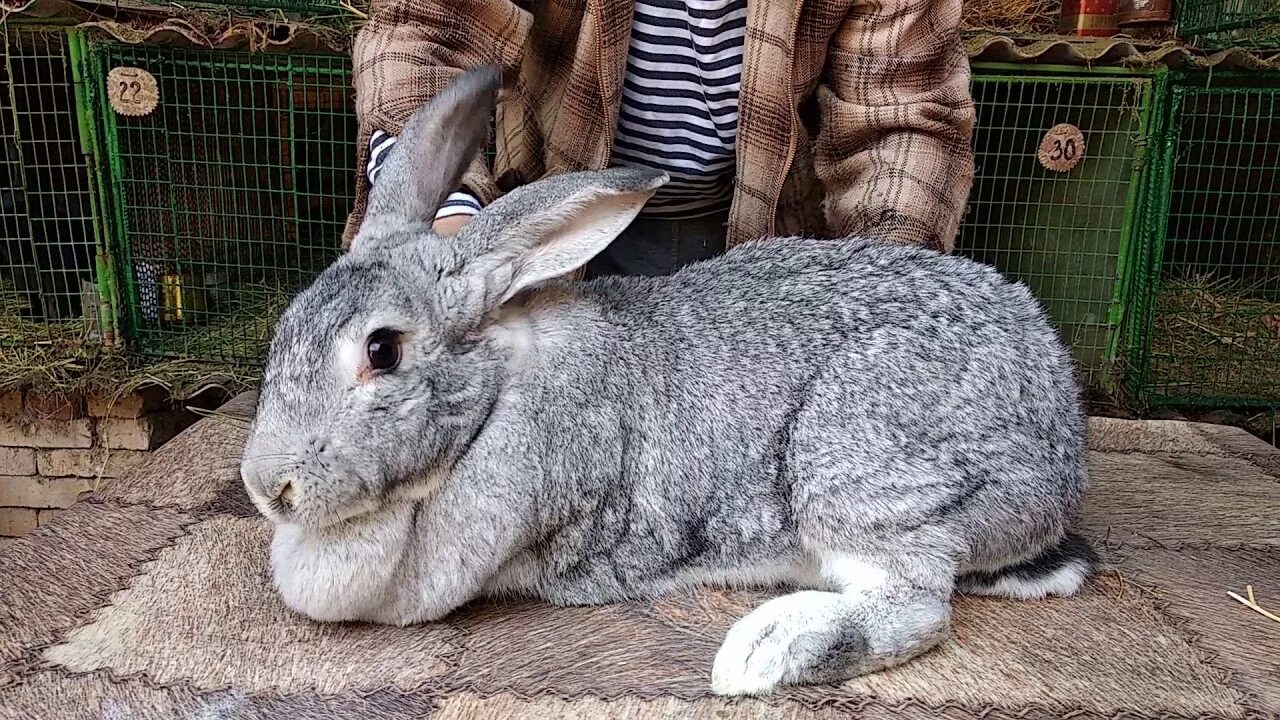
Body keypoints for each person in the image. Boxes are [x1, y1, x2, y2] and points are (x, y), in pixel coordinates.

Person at [343, 0, 975, 279]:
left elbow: (901, 116)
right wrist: (447, 228)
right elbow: (421, 32)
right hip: (553, 220)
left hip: (765, 236)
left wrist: (881, 290)